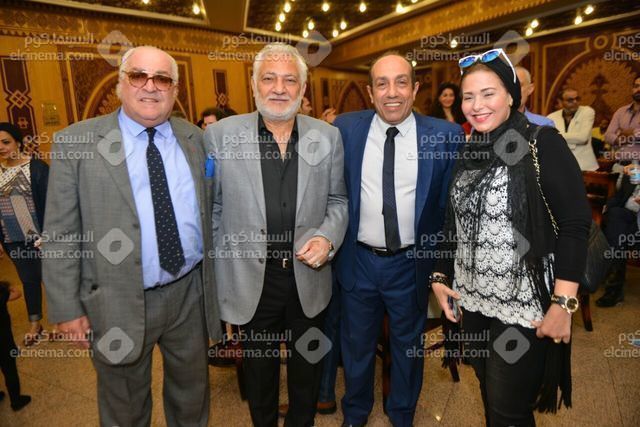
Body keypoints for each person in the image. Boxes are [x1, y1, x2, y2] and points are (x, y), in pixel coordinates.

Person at [43, 45, 222, 426]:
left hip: (189, 293)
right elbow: (60, 232)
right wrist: (66, 308)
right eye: (139, 76)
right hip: (116, 297)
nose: (150, 86)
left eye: (162, 79)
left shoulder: (194, 138)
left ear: (175, 90)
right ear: (121, 84)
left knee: (192, 397)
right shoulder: (76, 143)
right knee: (125, 407)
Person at [430, 48, 591, 426]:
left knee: (507, 408)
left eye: (488, 93)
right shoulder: (469, 150)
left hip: (523, 303)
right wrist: (440, 276)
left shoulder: (541, 142)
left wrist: (563, 304)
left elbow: (574, 223)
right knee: (491, 397)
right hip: (473, 299)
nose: (476, 105)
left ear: (511, 96)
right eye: (468, 96)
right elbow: (454, 222)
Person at [206, 43, 348, 427]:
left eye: (290, 80)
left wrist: (328, 238)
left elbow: (338, 200)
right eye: (269, 78)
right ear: (254, 84)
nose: (279, 88)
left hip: (308, 276)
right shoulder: (219, 136)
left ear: (303, 88)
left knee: (307, 372)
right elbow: (213, 209)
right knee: (259, 376)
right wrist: (221, 265)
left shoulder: (327, 137)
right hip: (251, 279)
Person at [333, 52, 463, 427]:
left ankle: (402, 413)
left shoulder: (445, 136)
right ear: (371, 92)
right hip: (359, 260)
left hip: (411, 263)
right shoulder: (345, 129)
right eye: (382, 84)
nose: (392, 92)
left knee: (409, 346)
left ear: (415, 88)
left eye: (401, 82)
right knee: (356, 345)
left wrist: (442, 269)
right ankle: (355, 413)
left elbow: (450, 211)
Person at [0, 122, 48, 346]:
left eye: (6, 142)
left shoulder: (36, 168)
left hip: (41, 238)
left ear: (18, 143)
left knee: (52, 280)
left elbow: (52, 203)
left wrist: (50, 235)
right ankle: (35, 324)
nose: (1, 147)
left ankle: (65, 321)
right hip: (13, 239)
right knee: (28, 281)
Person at [596, 164, 640, 307]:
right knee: (615, 216)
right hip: (628, 215)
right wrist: (605, 208)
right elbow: (620, 196)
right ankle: (614, 287)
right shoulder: (634, 170)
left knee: (618, 230)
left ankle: (614, 288)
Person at [547, 88, 598, 170]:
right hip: (561, 165)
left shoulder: (587, 111)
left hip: (585, 166)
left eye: (577, 99)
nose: (575, 102)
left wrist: (556, 136)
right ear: (560, 101)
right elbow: (550, 141)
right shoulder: (551, 117)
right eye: (570, 100)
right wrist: (572, 139)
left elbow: (583, 138)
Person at [0, 281, 31, 411]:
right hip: (3, 340)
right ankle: (16, 400)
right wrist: (7, 286)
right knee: (9, 369)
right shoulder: (1, 291)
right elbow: (17, 294)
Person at [604, 75, 640, 158]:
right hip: (621, 162)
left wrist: (632, 133)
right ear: (632, 89)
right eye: (636, 86)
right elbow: (608, 135)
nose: (638, 89)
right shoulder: (621, 111)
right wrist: (621, 139)